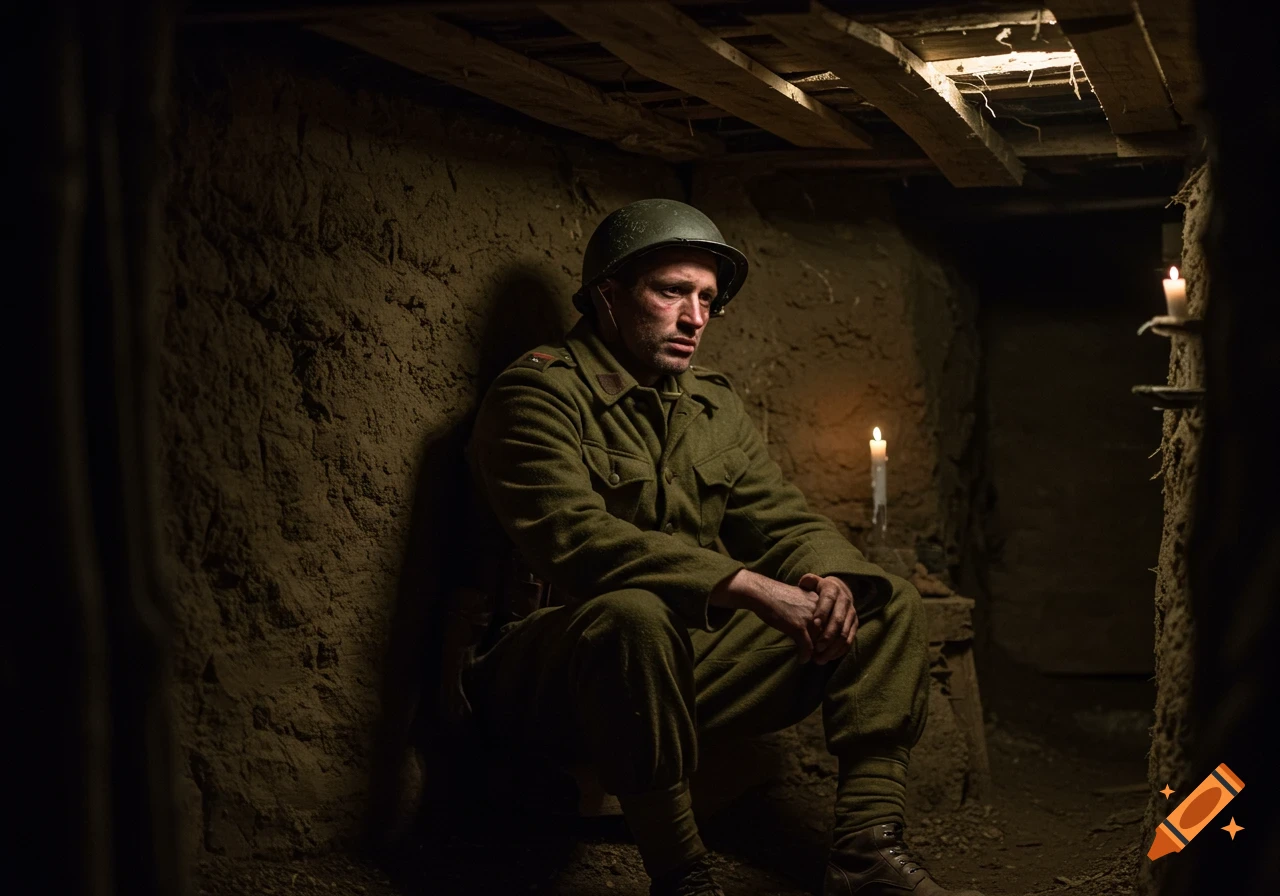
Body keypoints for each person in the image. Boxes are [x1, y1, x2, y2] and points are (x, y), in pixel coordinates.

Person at [464, 199, 981, 896]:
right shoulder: (537, 394)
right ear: (609, 296)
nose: (695, 318)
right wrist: (748, 586)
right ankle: (683, 875)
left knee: (879, 603)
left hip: (673, 665)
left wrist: (828, 578)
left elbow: (781, 519)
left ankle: (866, 853)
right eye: (672, 292)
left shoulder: (709, 405)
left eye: (707, 299)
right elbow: (577, 540)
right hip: (548, 674)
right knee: (635, 617)